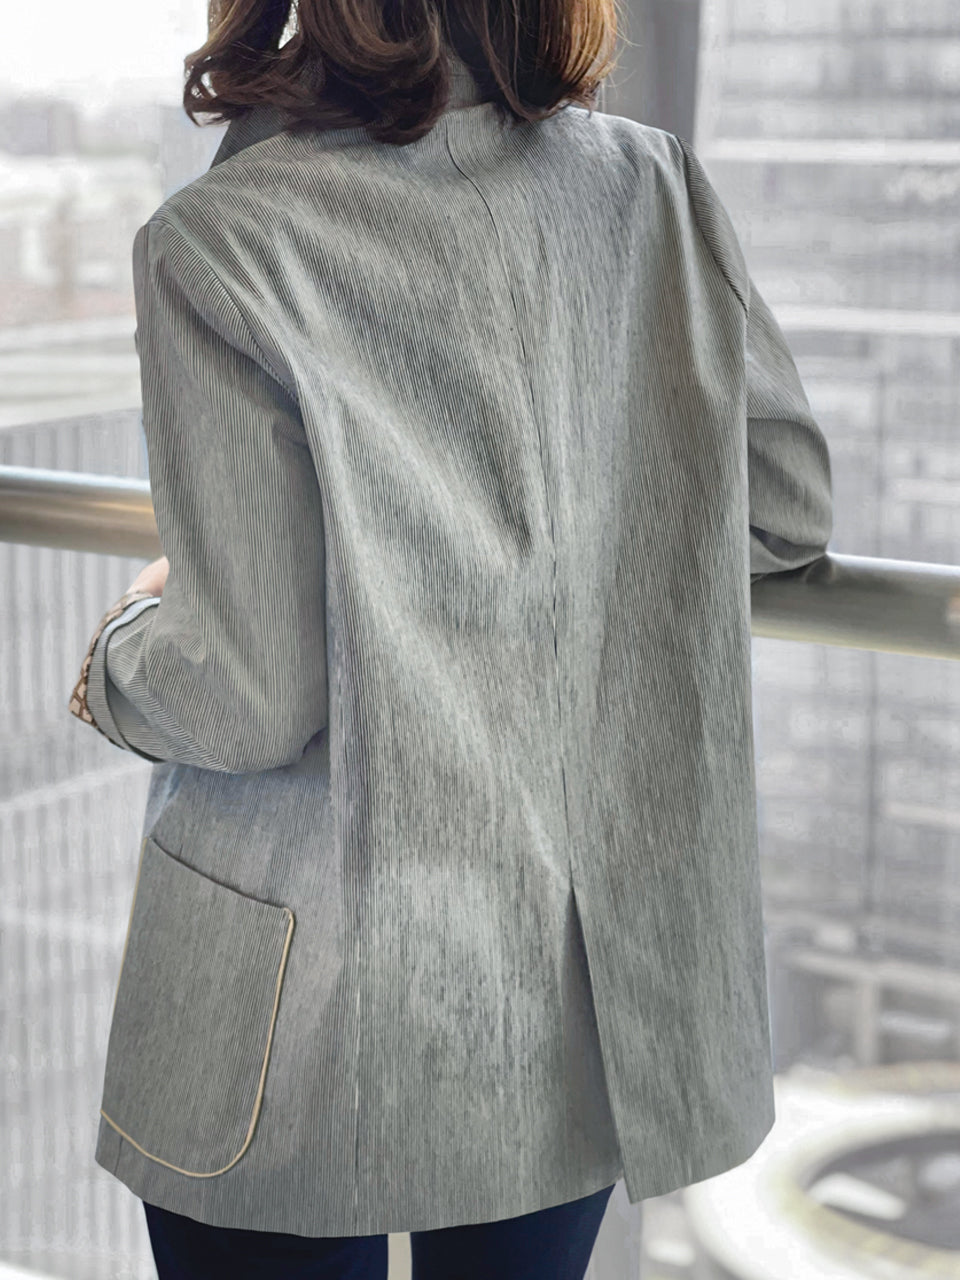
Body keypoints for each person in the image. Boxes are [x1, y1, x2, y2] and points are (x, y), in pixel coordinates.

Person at [67, 0, 833, 1274]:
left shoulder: (224, 236)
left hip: (294, 1004)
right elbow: (785, 508)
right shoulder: (652, 188)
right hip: (562, 987)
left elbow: (248, 689)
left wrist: (114, 658)